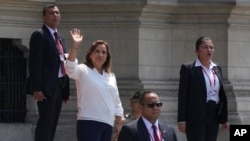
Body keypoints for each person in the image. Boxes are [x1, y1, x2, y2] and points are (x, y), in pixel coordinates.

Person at [65, 28, 124, 141]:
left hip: (107, 124)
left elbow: (116, 102)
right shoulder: (83, 70)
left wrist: (118, 123)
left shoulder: (111, 76)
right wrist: (75, 46)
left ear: (107, 56)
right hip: (88, 122)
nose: (100, 55)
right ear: (90, 54)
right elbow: (70, 69)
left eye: (104, 52)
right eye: (97, 51)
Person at [28, 4, 70, 141]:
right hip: (46, 88)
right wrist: (37, 88)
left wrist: (65, 91)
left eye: (57, 13)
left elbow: (64, 62)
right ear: (44, 17)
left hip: (58, 86)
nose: (55, 16)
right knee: (45, 123)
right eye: (51, 13)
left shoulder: (60, 38)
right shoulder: (39, 35)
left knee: (53, 123)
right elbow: (35, 64)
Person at [177, 37, 229, 141]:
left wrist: (224, 119)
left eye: (211, 47)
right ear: (197, 51)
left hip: (213, 114)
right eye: (205, 47)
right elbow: (182, 95)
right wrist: (181, 119)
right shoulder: (188, 68)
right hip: (195, 115)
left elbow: (221, 94)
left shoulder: (217, 67)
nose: (209, 50)